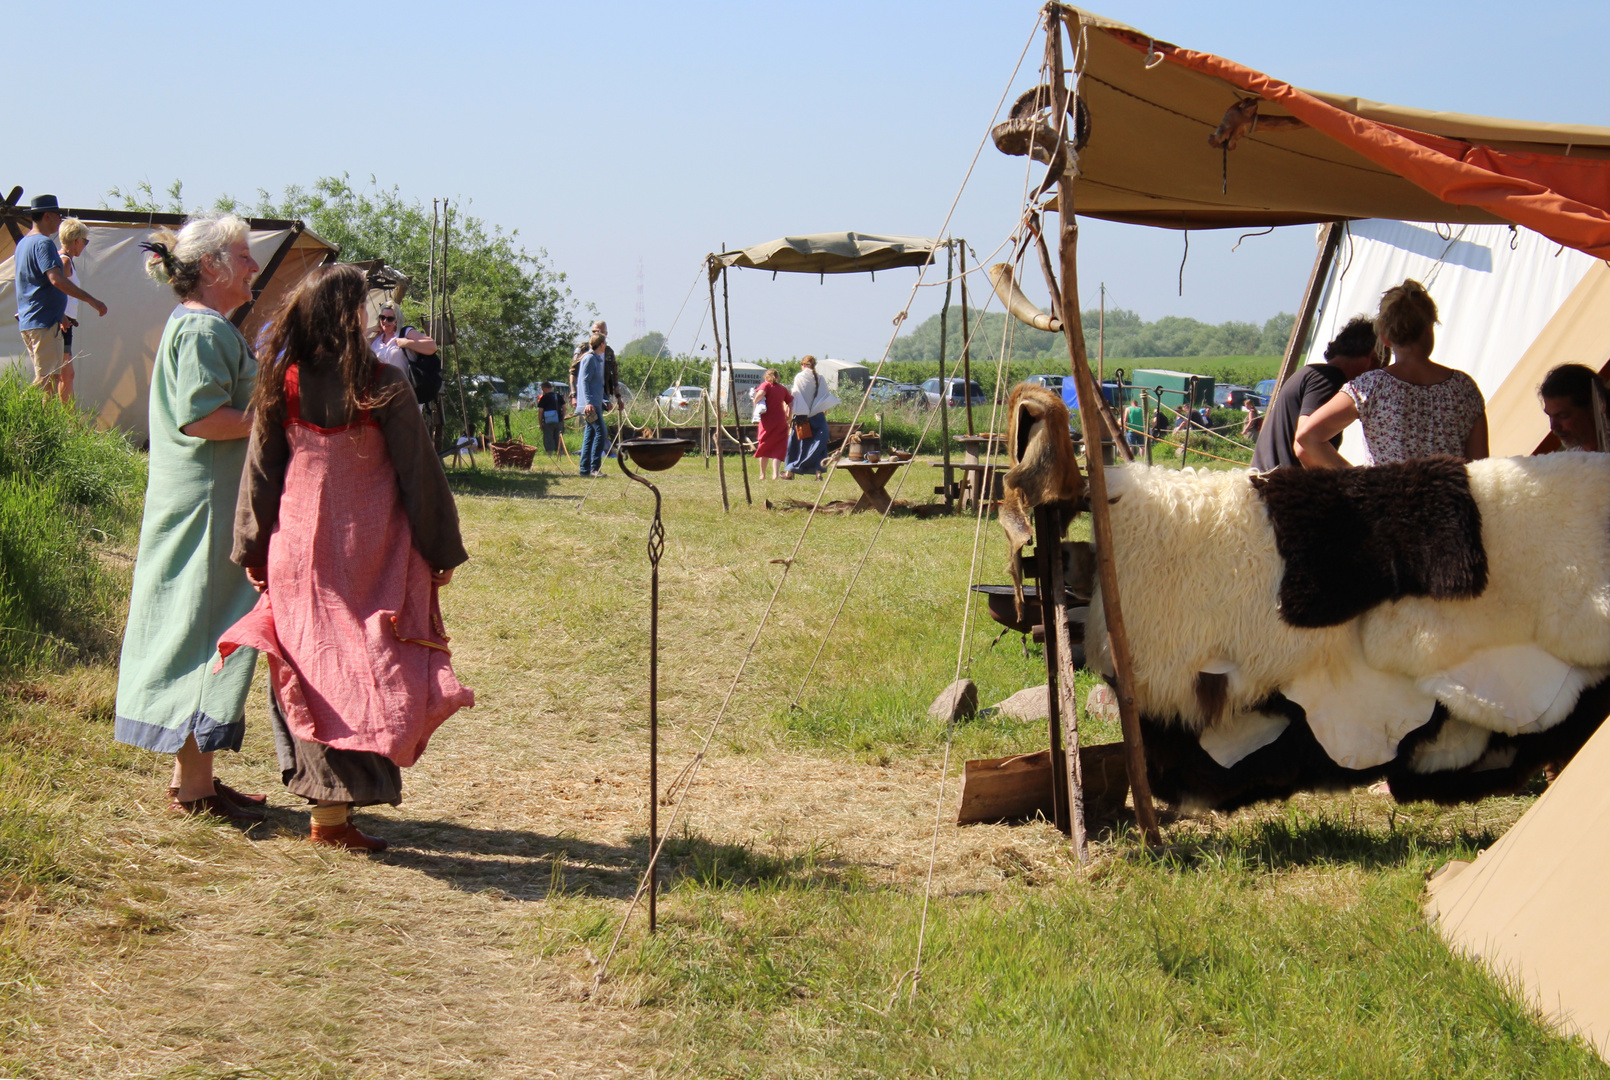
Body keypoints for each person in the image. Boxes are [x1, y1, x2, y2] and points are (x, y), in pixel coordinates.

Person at [221, 264, 473, 851]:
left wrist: (252, 548)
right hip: (371, 553)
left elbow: (260, 473)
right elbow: (419, 472)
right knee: (366, 669)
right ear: (349, 316)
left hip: (299, 553)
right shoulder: (382, 379)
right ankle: (331, 822)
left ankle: (329, 821)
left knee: (313, 671)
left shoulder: (283, 378)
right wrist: (440, 548)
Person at [114, 214, 263, 822]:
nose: (253, 265)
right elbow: (202, 420)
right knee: (208, 632)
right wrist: (276, 420)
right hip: (207, 511)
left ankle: (195, 783)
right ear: (212, 267)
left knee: (201, 631)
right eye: (243, 254)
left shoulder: (202, 326)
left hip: (204, 504)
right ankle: (192, 787)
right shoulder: (203, 330)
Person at [1297, 280, 1487, 467]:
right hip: (1450, 497)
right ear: (1429, 329)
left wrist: (1358, 480)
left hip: (1388, 497)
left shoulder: (1370, 386)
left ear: (1385, 338)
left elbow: (1308, 436)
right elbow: (1480, 467)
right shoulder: (1464, 388)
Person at [12, 195, 106, 403]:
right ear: (48, 215)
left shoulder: (23, 244)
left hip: (32, 320)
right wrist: (92, 300)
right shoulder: (44, 244)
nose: (59, 221)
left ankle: (41, 428)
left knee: (51, 380)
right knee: (47, 380)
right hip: (44, 321)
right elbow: (56, 280)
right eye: (58, 215)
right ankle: (12, 412)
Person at [1251, 317, 1377, 471]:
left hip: (1269, 482)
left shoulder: (1310, 373)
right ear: (1373, 358)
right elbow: (1305, 447)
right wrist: (1356, 480)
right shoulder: (1330, 379)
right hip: (1285, 488)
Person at [55, 217, 92, 404]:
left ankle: (68, 421)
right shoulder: (63, 262)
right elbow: (52, 289)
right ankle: (65, 421)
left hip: (66, 323)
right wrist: (61, 315)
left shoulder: (66, 261)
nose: (85, 246)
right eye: (85, 241)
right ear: (77, 241)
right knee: (62, 374)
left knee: (67, 375)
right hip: (60, 324)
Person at [784, 355, 839, 479]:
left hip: (802, 417)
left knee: (796, 444)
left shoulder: (799, 377)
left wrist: (790, 412)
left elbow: (796, 395)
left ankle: (790, 472)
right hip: (818, 416)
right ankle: (818, 473)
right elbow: (824, 397)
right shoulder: (820, 378)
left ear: (803, 365)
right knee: (819, 445)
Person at [1538, 363, 1610, 452]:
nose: (1554, 427)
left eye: (1563, 415)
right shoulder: (1570, 459)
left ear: (1593, 407)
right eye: (1550, 416)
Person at [368, 302, 437, 384]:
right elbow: (353, 344)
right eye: (382, 318)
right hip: (381, 391)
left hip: (402, 390)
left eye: (390, 319)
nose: (385, 321)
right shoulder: (376, 340)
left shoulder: (405, 333)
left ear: (397, 320)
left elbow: (432, 346)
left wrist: (407, 343)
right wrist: (371, 329)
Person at [575, 331, 610, 477]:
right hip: (590, 406)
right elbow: (584, 381)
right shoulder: (589, 359)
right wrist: (588, 402)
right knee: (601, 433)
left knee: (589, 435)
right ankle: (594, 468)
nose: (606, 346)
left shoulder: (597, 360)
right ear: (601, 344)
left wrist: (605, 400)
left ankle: (585, 469)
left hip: (596, 403)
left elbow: (597, 385)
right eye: (605, 343)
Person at [751, 368, 792, 479]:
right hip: (780, 421)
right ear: (777, 377)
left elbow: (760, 394)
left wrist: (755, 402)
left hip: (767, 421)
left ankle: (762, 474)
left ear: (766, 377)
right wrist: (789, 415)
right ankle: (775, 474)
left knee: (764, 446)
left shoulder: (765, 385)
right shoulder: (782, 389)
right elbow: (791, 402)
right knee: (778, 448)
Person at [537, 380, 566, 455]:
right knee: (559, 438)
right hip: (558, 420)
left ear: (544, 388)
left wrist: (540, 422)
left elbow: (540, 411)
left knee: (548, 438)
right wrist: (562, 419)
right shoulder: (558, 396)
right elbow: (564, 407)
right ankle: (561, 453)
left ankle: (549, 454)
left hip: (548, 421)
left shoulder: (544, 398)